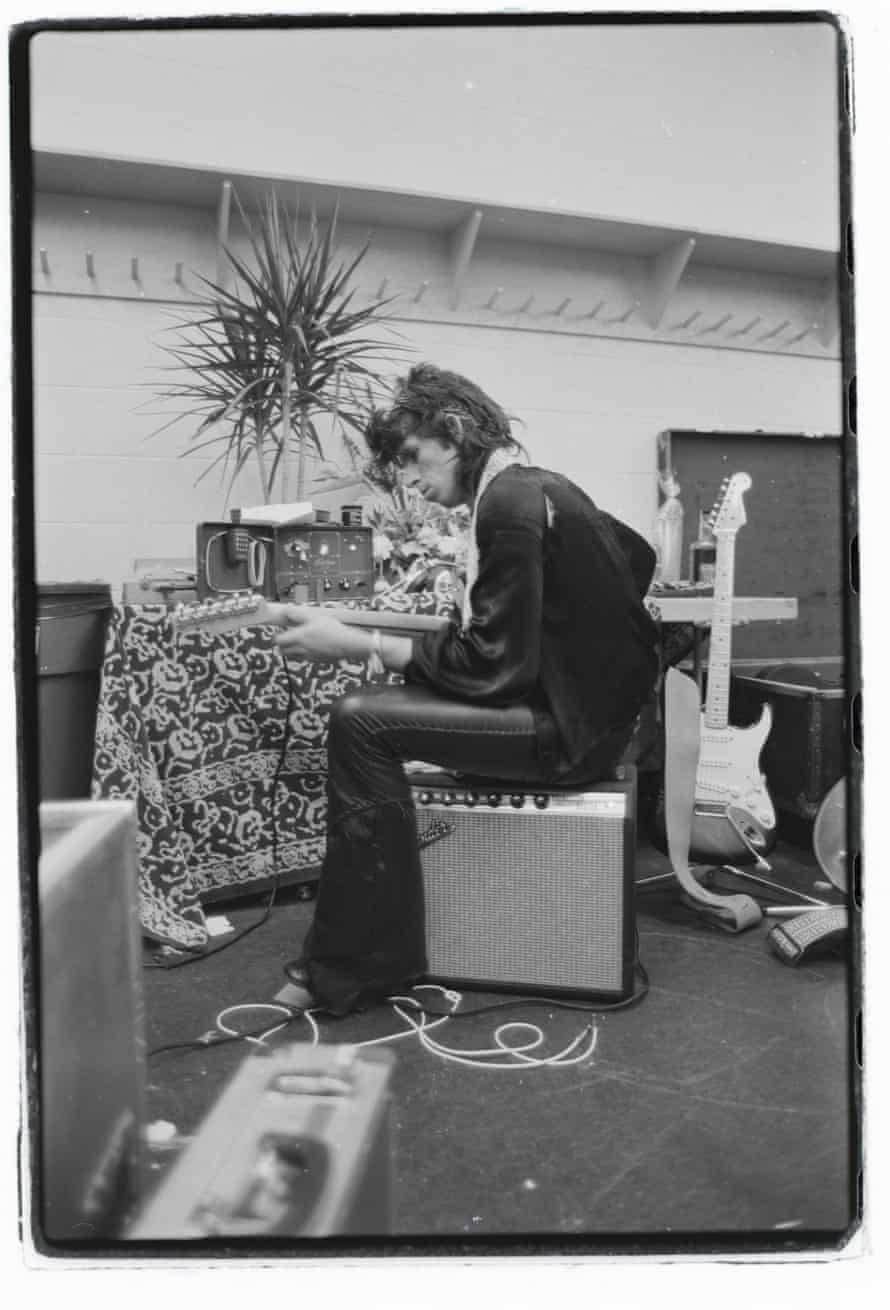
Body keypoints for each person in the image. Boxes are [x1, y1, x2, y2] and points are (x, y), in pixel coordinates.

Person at [274, 363, 660, 1015]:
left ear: (453, 433)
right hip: (592, 723)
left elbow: (493, 670)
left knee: (360, 721)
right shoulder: (537, 486)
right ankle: (369, 952)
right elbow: (639, 554)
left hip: (567, 739)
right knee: (366, 720)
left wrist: (357, 642)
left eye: (413, 458)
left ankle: (359, 964)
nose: (410, 482)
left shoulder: (508, 504)